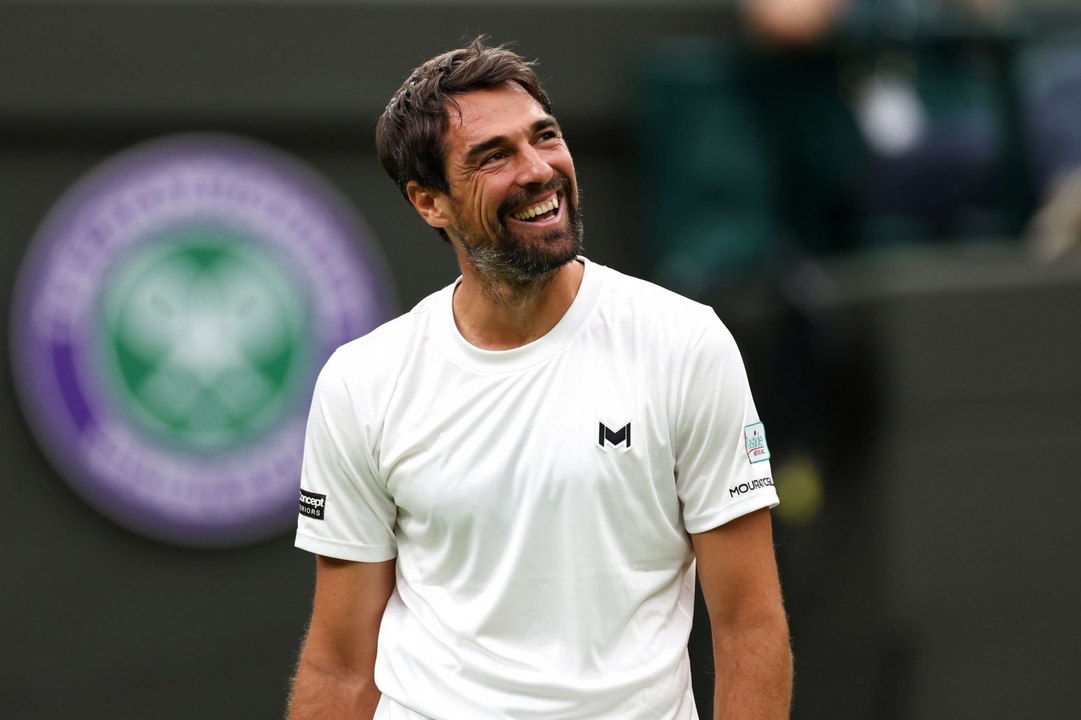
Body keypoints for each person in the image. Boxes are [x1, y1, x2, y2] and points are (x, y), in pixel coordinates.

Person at [287, 37, 792, 720]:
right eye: (493, 156)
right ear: (428, 202)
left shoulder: (685, 343)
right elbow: (340, 664)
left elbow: (749, 626)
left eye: (544, 137)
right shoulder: (362, 380)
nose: (538, 170)